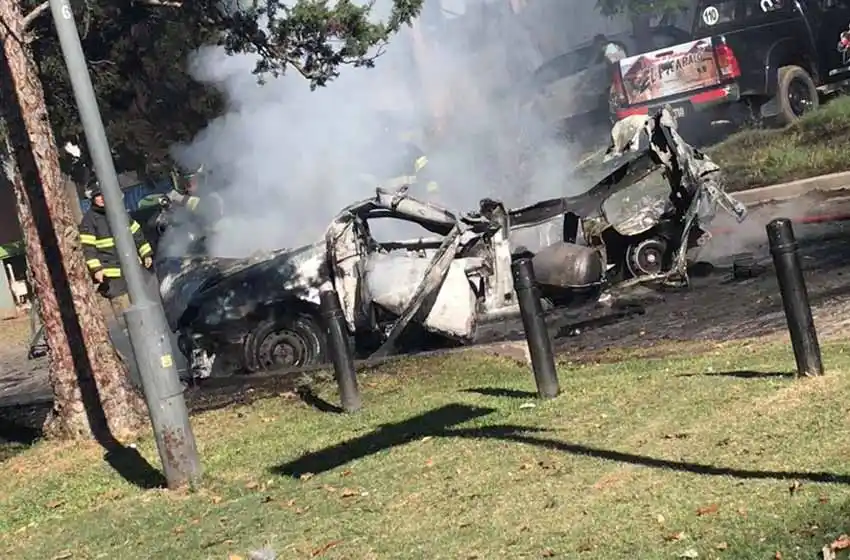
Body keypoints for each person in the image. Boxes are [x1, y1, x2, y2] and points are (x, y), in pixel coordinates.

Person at [79, 182, 154, 316]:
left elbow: (137, 235)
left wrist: (146, 254)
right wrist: (97, 270)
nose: (102, 198)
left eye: (104, 194)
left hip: (133, 271)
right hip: (113, 278)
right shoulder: (89, 221)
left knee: (146, 307)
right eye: (98, 195)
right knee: (125, 312)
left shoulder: (120, 213)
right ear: (92, 198)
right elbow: (88, 249)